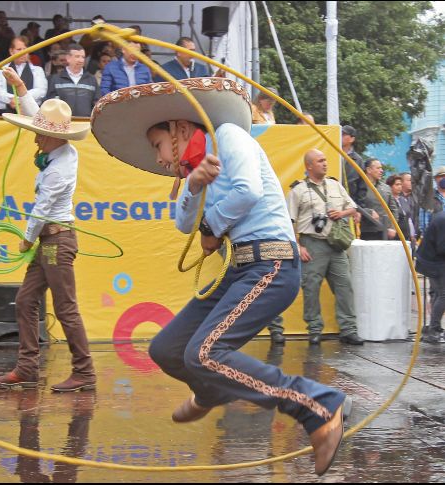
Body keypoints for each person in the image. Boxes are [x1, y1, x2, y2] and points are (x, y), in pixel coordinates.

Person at [90, 77, 351, 476]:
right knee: (167, 349)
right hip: (241, 269)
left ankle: (318, 404)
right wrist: (193, 187)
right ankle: (211, 388)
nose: (159, 159)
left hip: (272, 264)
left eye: (158, 145)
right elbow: (182, 225)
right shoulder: (195, 169)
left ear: (179, 129)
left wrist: (210, 226)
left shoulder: (229, 135)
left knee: (205, 353)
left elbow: (245, 191)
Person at [0, 66, 96, 393]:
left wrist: (26, 239)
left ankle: (85, 372)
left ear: (53, 137)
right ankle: (26, 367)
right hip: (51, 241)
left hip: (55, 240)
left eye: (39, 135)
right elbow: (38, 117)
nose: (35, 137)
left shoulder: (60, 167)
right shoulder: (57, 149)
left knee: (65, 308)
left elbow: (43, 209)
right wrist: (21, 87)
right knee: (25, 300)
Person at [271, 149, 363, 346]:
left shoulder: (335, 185)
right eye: (320, 161)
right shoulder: (298, 190)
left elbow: (354, 208)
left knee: (344, 286)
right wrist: (298, 246)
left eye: (325, 160)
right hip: (312, 244)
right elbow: (288, 222)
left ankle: (348, 329)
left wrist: (342, 213)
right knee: (311, 288)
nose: (324, 163)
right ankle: (314, 329)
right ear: (309, 166)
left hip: (336, 244)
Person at [0, 36, 46, 116]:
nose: (23, 52)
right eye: (19, 49)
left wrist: (20, 100)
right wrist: (10, 99)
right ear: (11, 51)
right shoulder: (0, 69)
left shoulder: (37, 70)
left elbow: (41, 90)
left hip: (30, 116)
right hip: (3, 115)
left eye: (25, 49)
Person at [415, 211, 445, 344]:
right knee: (443, 295)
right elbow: (442, 247)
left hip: (433, 260)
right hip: (433, 262)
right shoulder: (443, 220)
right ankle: (434, 330)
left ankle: (434, 329)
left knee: (439, 294)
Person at [45, 43, 99, 117]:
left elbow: (97, 104)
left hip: (85, 124)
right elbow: (50, 103)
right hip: (62, 123)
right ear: (68, 58)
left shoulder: (92, 79)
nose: (81, 60)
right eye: (77, 56)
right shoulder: (55, 79)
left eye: (83, 57)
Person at [359, 158, 398, 240]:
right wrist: (368, 212)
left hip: (385, 231)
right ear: (369, 170)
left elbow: (393, 209)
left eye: (381, 168)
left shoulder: (386, 188)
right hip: (366, 232)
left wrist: (393, 227)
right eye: (378, 168)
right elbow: (354, 206)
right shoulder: (359, 187)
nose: (381, 171)